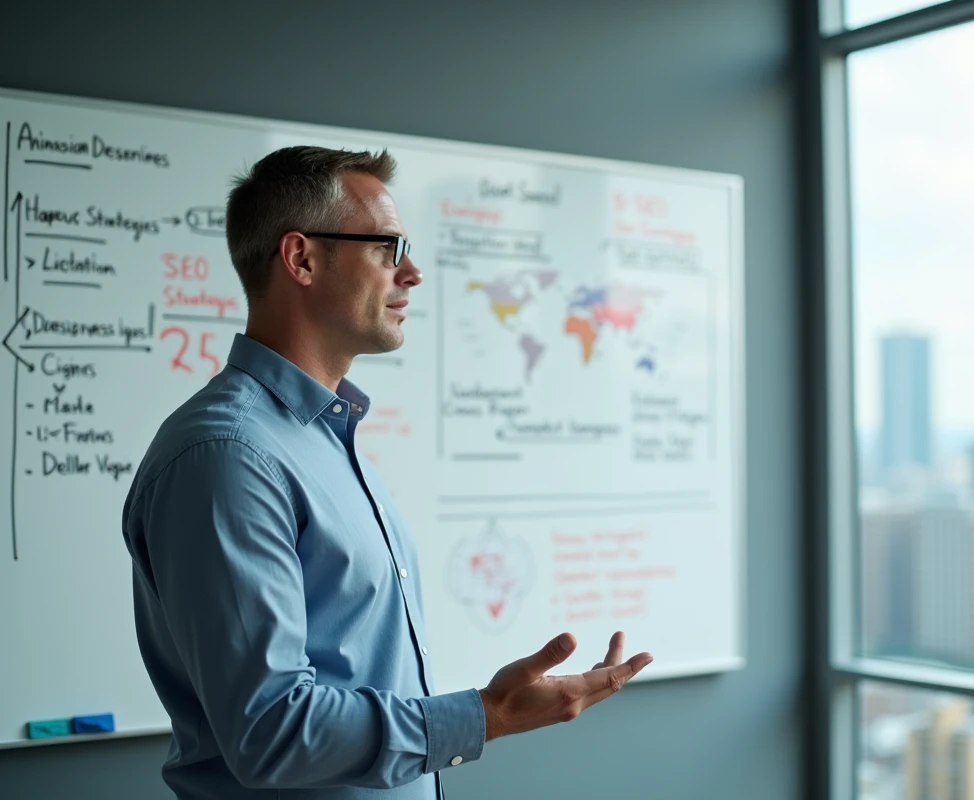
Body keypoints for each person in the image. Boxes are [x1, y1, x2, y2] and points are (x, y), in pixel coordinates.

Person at [121, 145, 653, 799]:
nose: (413, 273)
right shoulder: (229, 457)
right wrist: (489, 715)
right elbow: (271, 730)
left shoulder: (326, 438)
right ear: (301, 259)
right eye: (387, 248)